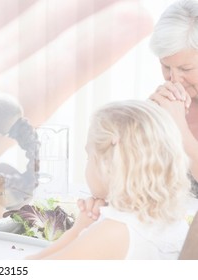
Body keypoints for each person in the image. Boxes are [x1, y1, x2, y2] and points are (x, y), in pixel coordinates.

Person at [28, 100, 192, 259]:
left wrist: (79, 228)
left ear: (109, 165)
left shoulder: (114, 232)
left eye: (89, 156)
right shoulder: (174, 221)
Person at [148, 0, 198, 194]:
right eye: (166, 66)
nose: (174, 79)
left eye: (186, 69)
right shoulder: (165, 103)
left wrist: (180, 129)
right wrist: (145, 123)